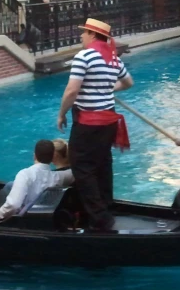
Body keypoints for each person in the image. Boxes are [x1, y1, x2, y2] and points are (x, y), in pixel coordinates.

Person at [57, 18, 134, 230]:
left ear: (92, 35)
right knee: (102, 164)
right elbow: (128, 83)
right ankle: (106, 206)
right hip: (108, 120)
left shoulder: (83, 56)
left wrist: (61, 114)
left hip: (88, 122)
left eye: (84, 33)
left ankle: (100, 218)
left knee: (82, 167)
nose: (81, 36)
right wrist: (108, 89)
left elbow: (72, 91)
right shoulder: (113, 58)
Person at [0, 140, 74, 221]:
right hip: (34, 212)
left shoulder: (25, 174)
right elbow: (74, 173)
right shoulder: (58, 176)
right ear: (52, 159)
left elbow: (14, 205)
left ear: (34, 155)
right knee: (7, 188)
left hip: (19, 216)